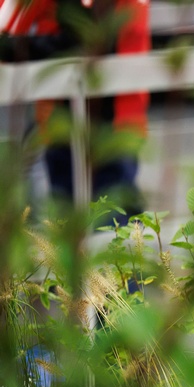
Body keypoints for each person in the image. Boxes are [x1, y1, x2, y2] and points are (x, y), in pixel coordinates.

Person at [0, 0, 149, 228]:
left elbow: (88, 41)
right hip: (61, 127)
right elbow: (9, 24)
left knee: (114, 229)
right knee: (69, 231)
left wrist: (12, 46)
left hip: (113, 128)